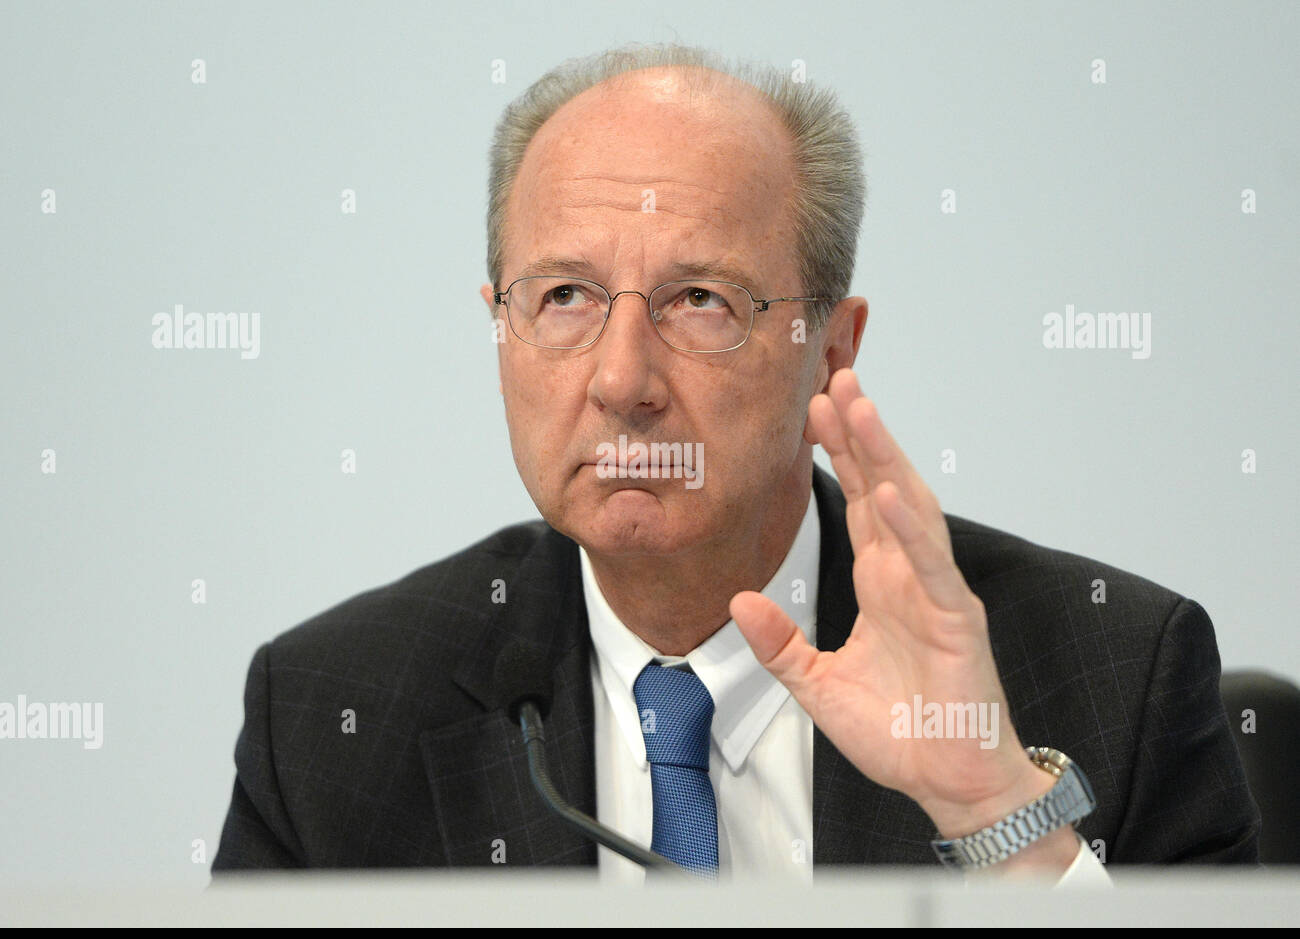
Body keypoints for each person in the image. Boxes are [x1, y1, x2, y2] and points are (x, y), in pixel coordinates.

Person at [212, 44, 1258, 882]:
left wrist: (999, 817)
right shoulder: (331, 717)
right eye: (564, 297)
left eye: (701, 301)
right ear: (500, 330)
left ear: (831, 351)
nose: (622, 380)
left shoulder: (1113, 672)